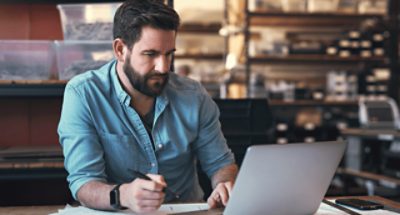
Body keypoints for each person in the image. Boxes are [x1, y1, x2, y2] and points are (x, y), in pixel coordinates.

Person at [58, 0, 238, 213]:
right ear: (120, 50)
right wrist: (124, 195)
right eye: (150, 54)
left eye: (169, 53)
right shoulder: (83, 94)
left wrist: (223, 184)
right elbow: (84, 183)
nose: (163, 67)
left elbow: (220, 163)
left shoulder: (194, 95)